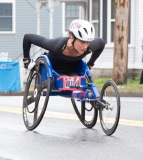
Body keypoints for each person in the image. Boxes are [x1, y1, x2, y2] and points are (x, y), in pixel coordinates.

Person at [23, 19, 105, 76]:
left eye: (88, 42)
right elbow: (27, 37)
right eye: (82, 42)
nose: (85, 46)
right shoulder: (56, 45)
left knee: (80, 82)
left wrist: (90, 64)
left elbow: (102, 43)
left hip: (70, 71)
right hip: (51, 70)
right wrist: (26, 60)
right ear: (71, 36)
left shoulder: (89, 47)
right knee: (62, 80)